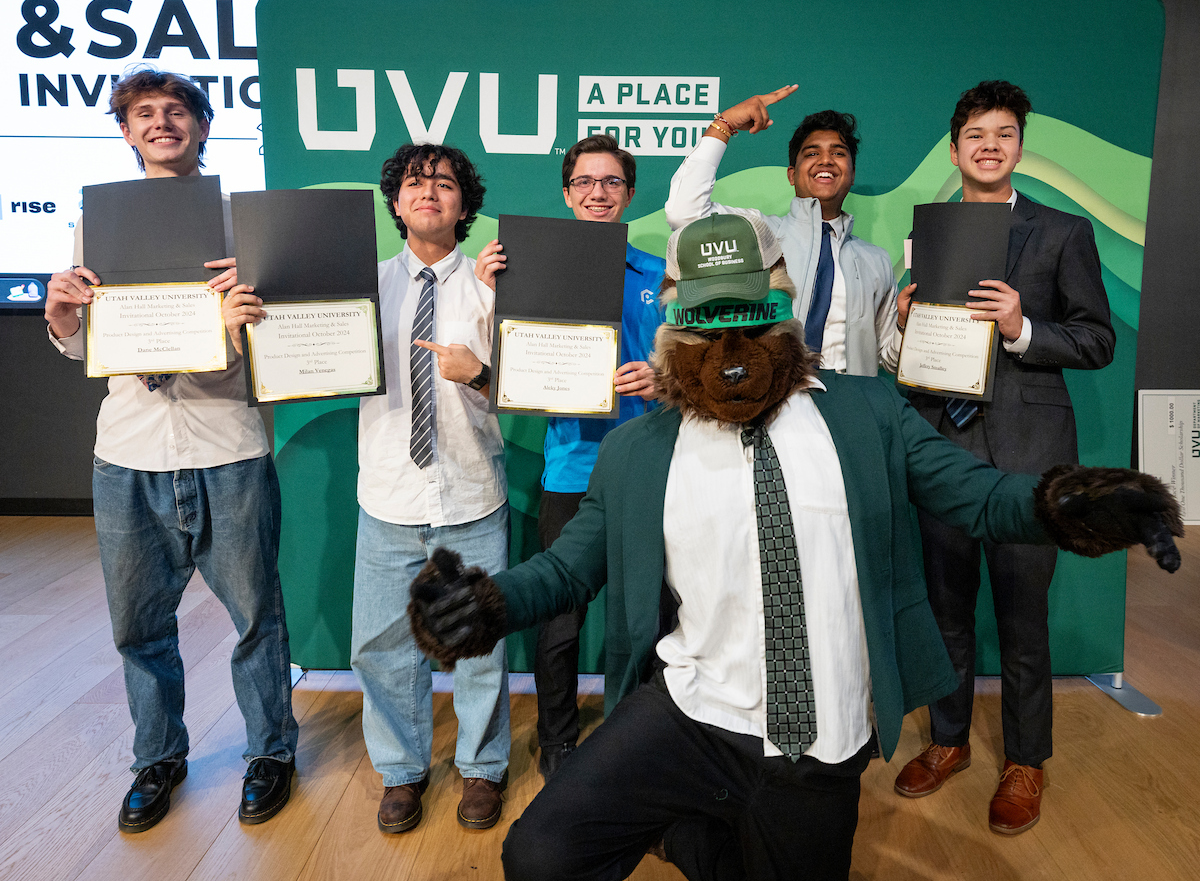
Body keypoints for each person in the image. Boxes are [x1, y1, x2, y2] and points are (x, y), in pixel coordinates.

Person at [408, 212, 1177, 881]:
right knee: (540, 855)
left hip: (818, 738)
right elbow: (572, 567)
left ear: (786, 317)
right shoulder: (640, 451)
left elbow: (979, 494)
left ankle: (710, 837)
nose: (734, 354)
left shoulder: (867, 413)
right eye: (711, 330)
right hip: (692, 713)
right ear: (676, 333)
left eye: (754, 323)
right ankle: (694, 820)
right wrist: (488, 604)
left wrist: (1074, 503)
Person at [43, 68, 298, 833]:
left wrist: (245, 320)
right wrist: (60, 318)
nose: (162, 122)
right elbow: (85, 346)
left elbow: (278, 347)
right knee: (138, 624)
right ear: (126, 132)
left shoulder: (242, 228)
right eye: (145, 113)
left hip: (228, 442)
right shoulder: (94, 227)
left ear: (203, 127)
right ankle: (158, 757)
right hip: (129, 450)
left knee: (256, 616)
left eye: (177, 110)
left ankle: (271, 752)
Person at [892, 80, 1117, 834]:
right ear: (955, 149)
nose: (990, 145)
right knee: (946, 609)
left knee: (1024, 619)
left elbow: (1096, 339)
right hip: (941, 442)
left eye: (1005, 134)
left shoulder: (1062, 232)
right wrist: (904, 322)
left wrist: (1023, 327)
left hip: (1028, 451)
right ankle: (949, 739)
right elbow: (909, 357)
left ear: (1020, 146)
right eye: (976, 135)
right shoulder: (927, 234)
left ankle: (1025, 760)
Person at [476, 134, 664, 779]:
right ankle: (556, 741)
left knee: (649, 617)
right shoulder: (526, 271)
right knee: (559, 618)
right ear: (566, 193)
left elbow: (691, 372)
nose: (597, 194)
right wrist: (492, 291)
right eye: (584, 182)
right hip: (571, 471)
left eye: (611, 182)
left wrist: (662, 380)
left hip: (649, 469)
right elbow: (504, 371)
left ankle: (642, 737)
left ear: (630, 194)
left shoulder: (661, 277)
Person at [339, 142, 511, 834]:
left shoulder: (496, 282)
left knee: (481, 646)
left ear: (465, 205)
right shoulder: (359, 284)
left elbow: (529, 390)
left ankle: (481, 769)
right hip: (388, 496)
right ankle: (402, 773)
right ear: (396, 202)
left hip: (472, 494)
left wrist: (479, 371)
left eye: (444, 183)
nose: (428, 191)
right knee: (382, 647)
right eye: (414, 182)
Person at [665, 85, 901, 375]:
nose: (825, 160)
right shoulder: (756, 234)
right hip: (773, 406)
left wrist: (904, 323)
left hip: (850, 409)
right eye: (812, 153)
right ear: (792, 174)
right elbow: (684, 214)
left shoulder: (876, 260)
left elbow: (890, 360)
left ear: (852, 175)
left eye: (838, 153)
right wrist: (724, 124)